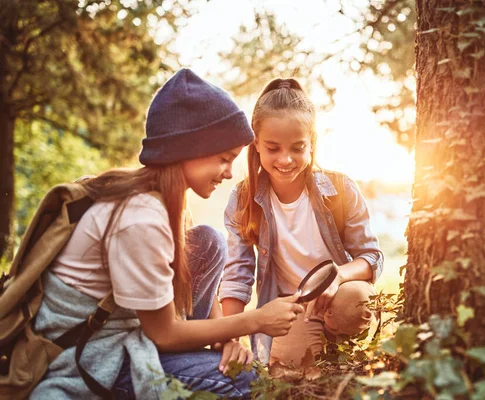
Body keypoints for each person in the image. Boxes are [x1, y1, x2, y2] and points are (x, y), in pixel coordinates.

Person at [30, 69, 303, 399]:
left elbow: (185, 287)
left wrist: (227, 340)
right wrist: (254, 321)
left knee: (207, 241)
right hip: (91, 354)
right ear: (187, 148)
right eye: (223, 159)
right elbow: (163, 334)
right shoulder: (141, 218)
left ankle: (208, 355)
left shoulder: (163, 200)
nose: (229, 173)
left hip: (129, 331)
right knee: (245, 382)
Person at [219, 78, 384, 366]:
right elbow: (237, 274)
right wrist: (230, 337)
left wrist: (337, 277)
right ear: (256, 144)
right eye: (273, 148)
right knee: (296, 368)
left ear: (312, 145)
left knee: (354, 305)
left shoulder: (341, 189)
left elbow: (371, 257)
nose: (285, 159)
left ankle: (343, 352)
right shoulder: (243, 199)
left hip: (340, 296)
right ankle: (317, 356)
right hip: (292, 306)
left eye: (297, 148)